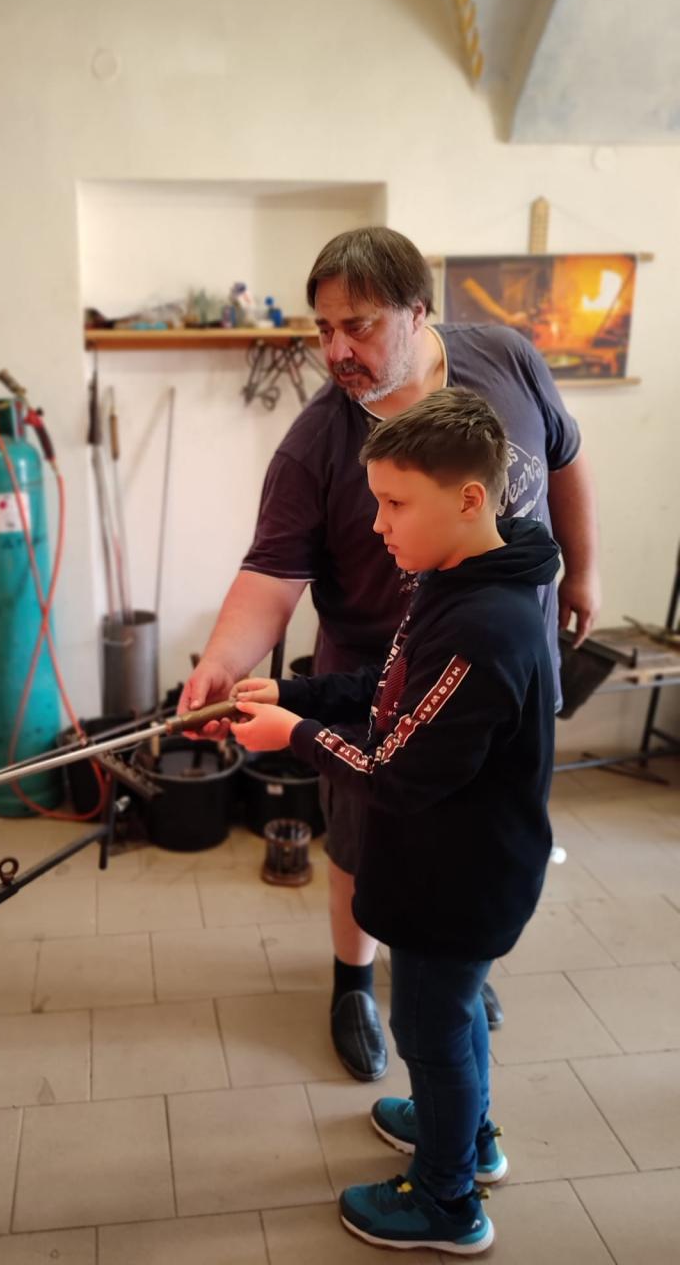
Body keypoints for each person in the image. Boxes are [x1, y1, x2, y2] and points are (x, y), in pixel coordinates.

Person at [179, 226, 599, 1081]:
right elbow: (272, 572)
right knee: (365, 843)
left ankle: (450, 967)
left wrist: (584, 573)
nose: (336, 350)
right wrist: (223, 662)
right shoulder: (317, 441)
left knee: (478, 835)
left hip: (507, 671)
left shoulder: (506, 358)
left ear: (417, 311)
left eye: (358, 325)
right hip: (378, 678)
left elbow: (565, 458)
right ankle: (353, 982)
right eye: (323, 328)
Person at [228, 390, 558, 1254]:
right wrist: (295, 691)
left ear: (470, 499)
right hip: (442, 861)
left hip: (461, 878)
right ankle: (467, 1132)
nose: (377, 525)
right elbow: (388, 685)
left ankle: (447, 1201)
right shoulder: (455, 579)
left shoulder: (487, 627)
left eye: (395, 503)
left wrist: (293, 734)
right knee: (450, 1016)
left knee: (430, 1027)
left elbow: (396, 774)